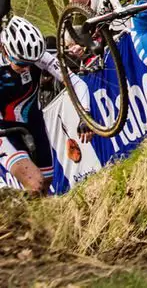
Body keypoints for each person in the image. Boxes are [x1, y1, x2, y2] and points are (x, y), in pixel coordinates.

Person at [1, 16, 93, 195]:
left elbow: (75, 83)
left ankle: (34, 221)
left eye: (31, 63)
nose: (27, 68)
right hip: (3, 129)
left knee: (45, 184)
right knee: (35, 183)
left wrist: (85, 114)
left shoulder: (36, 55)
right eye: (21, 63)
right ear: (5, 51)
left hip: (34, 121)